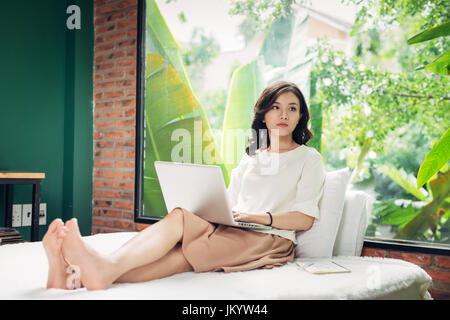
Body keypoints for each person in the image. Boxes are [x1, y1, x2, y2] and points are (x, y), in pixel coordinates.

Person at [43, 80, 326, 290]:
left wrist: (259, 217)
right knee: (180, 215)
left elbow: (305, 218)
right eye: (276, 107)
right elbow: (228, 201)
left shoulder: (308, 159)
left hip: (270, 240)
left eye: (293, 108)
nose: (284, 115)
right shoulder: (252, 158)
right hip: (236, 228)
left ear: (301, 116)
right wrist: (215, 212)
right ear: (264, 114)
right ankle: (80, 273)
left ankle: (83, 274)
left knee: (182, 256)